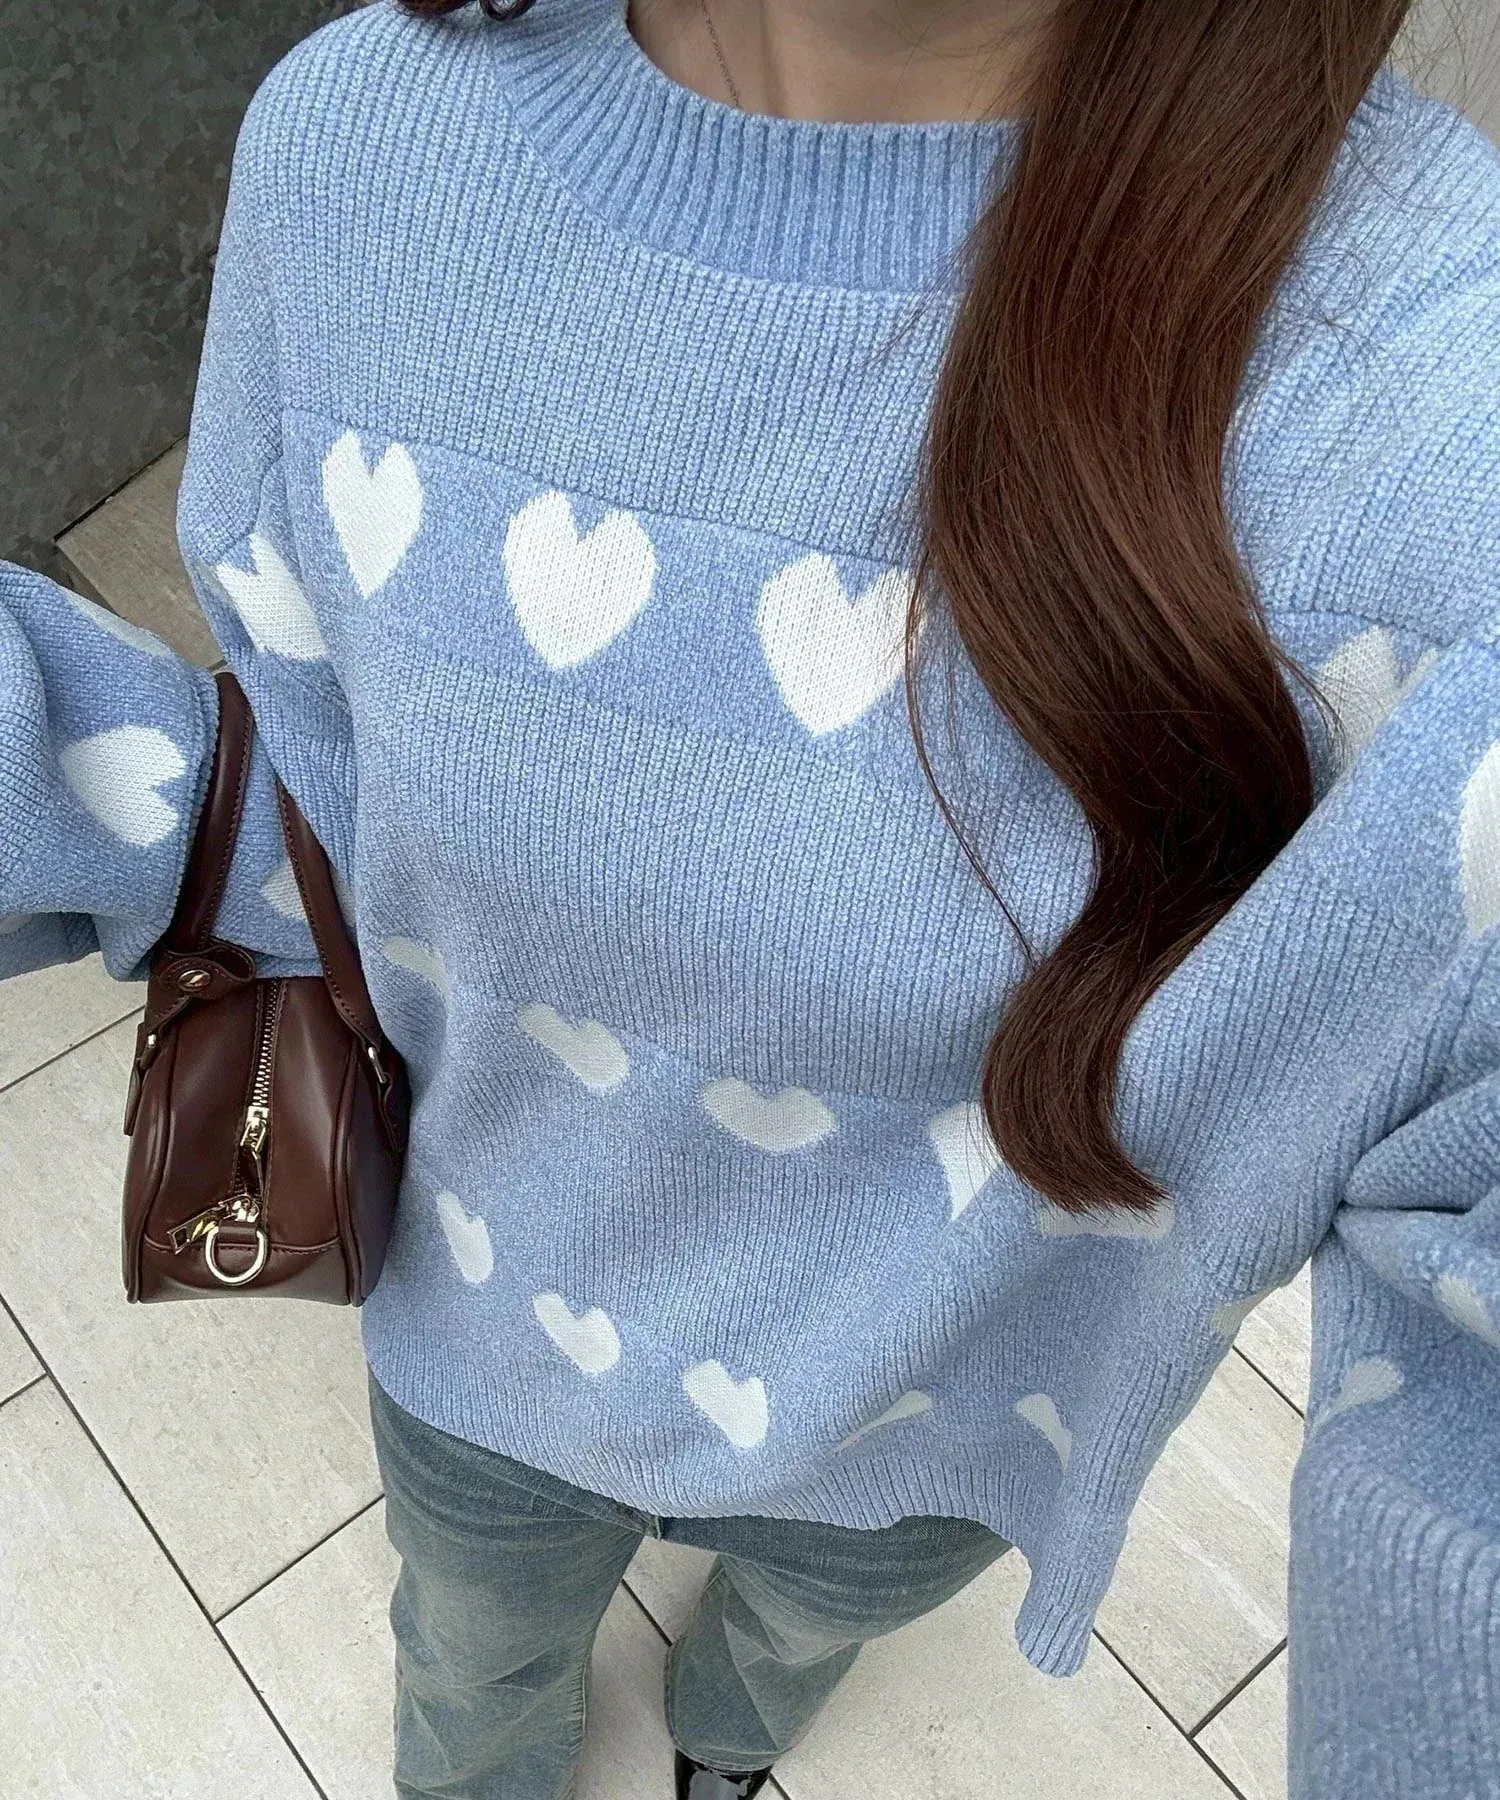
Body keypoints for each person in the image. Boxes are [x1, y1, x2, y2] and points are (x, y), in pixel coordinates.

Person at [2, 0, 1497, 1793]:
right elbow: (316, 799)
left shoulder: (1442, 394)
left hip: (928, 1419)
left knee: (785, 1648)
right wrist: (75, 772)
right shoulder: (353, 152)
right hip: (476, 1320)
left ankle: (725, 1745)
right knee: (470, 1663)